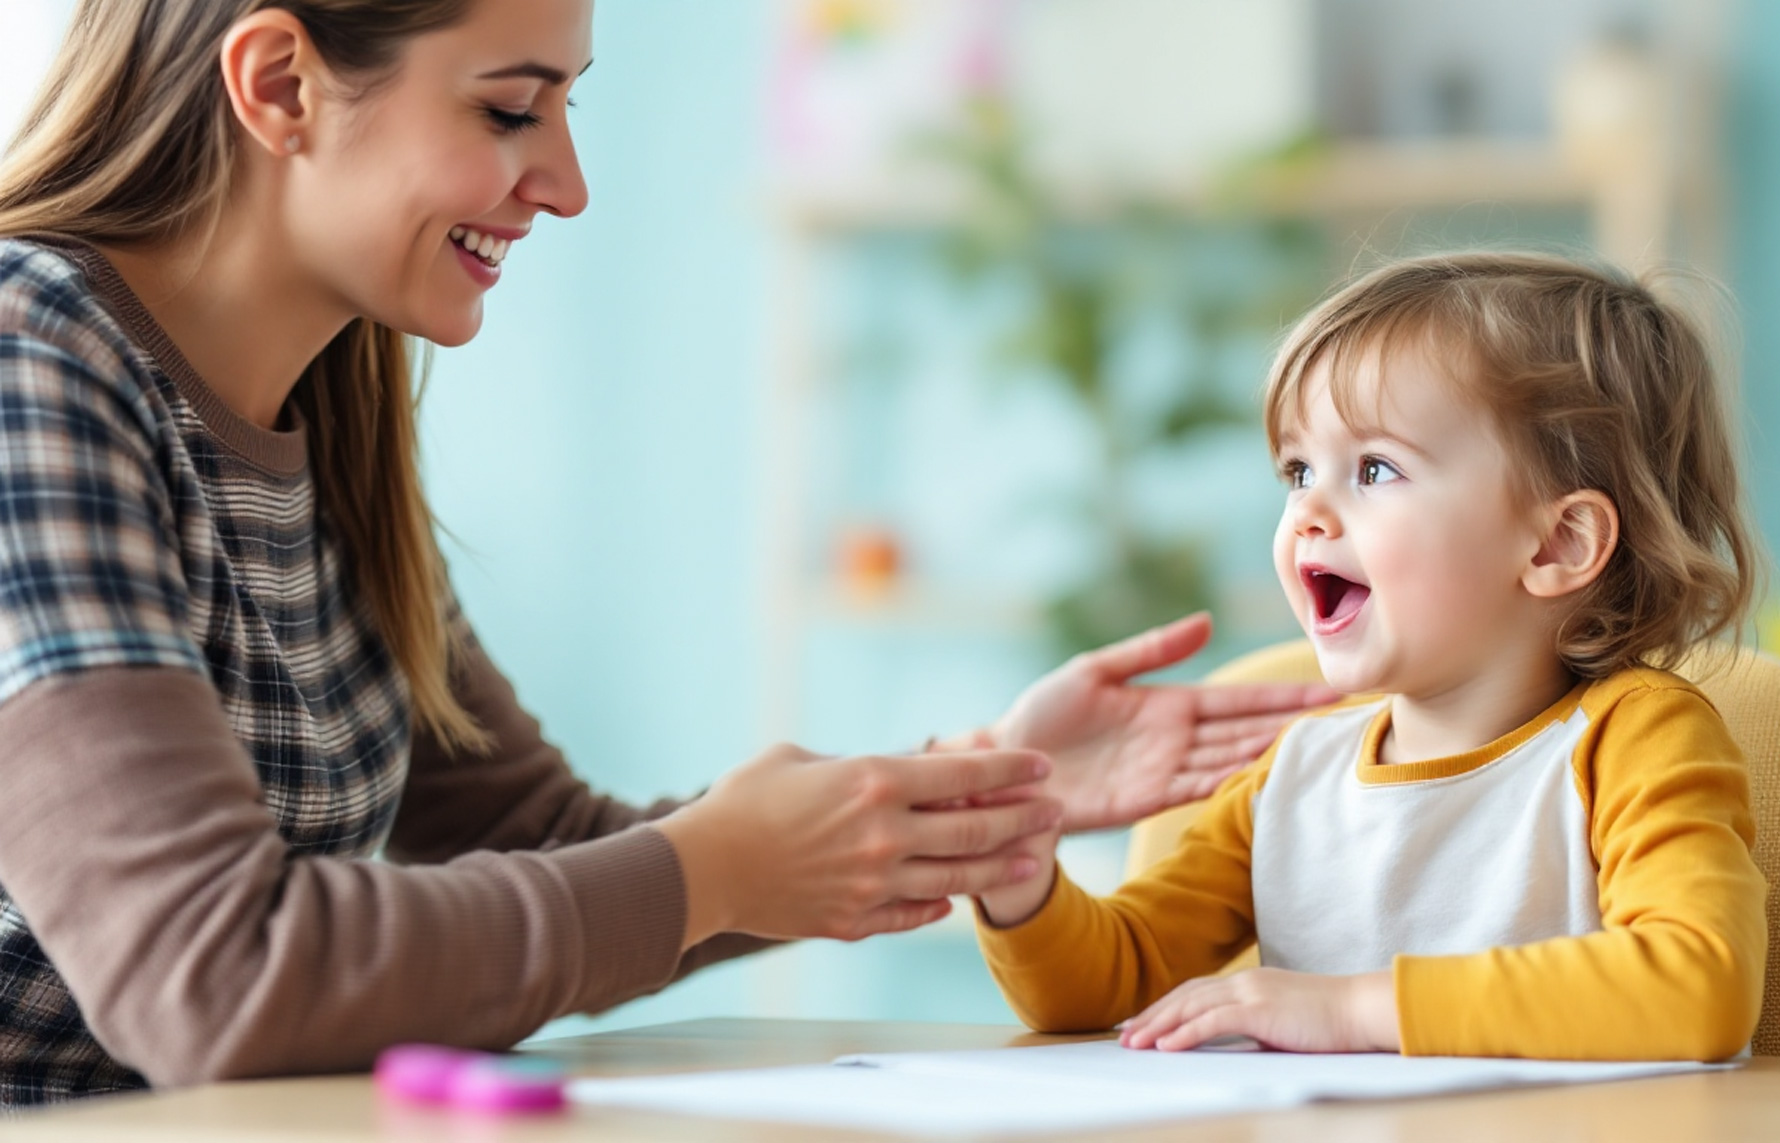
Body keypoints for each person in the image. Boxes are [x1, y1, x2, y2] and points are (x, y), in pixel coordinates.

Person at [0, 0, 1337, 1106]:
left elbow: (544, 840)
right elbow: (213, 976)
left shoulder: (325, 412)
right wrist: (714, 867)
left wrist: (960, 788)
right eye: (511, 108)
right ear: (282, 83)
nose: (569, 185)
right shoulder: (30, 365)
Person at [974, 253, 1770, 1062]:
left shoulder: (1634, 740)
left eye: (1375, 468)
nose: (1309, 511)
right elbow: (1108, 982)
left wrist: (1354, 1008)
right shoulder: (1292, 773)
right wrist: (1017, 876)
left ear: (1559, 542)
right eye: (1298, 470)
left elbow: (1701, 983)